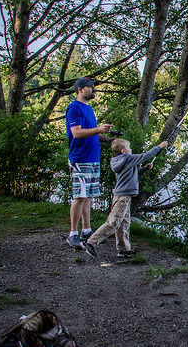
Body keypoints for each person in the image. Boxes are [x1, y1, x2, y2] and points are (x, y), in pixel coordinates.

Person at [81, 139, 168, 258]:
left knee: (124, 223)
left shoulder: (120, 161)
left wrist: (144, 170)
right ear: (123, 151)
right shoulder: (128, 158)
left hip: (123, 196)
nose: (131, 150)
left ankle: (124, 249)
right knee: (114, 222)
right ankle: (90, 242)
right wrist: (160, 147)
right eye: (129, 147)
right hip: (122, 197)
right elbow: (145, 156)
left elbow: (131, 176)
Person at [65, 77, 115, 249]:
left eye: (94, 87)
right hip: (80, 159)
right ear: (80, 89)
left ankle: (86, 230)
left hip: (93, 160)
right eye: (90, 87)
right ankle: (72, 234)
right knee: (80, 197)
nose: (94, 89)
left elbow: (92, 133)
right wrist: (99, 129)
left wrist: (107, 139)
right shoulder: (74, 108)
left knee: (87, 198)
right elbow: (77, 133)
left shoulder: (89, 109)